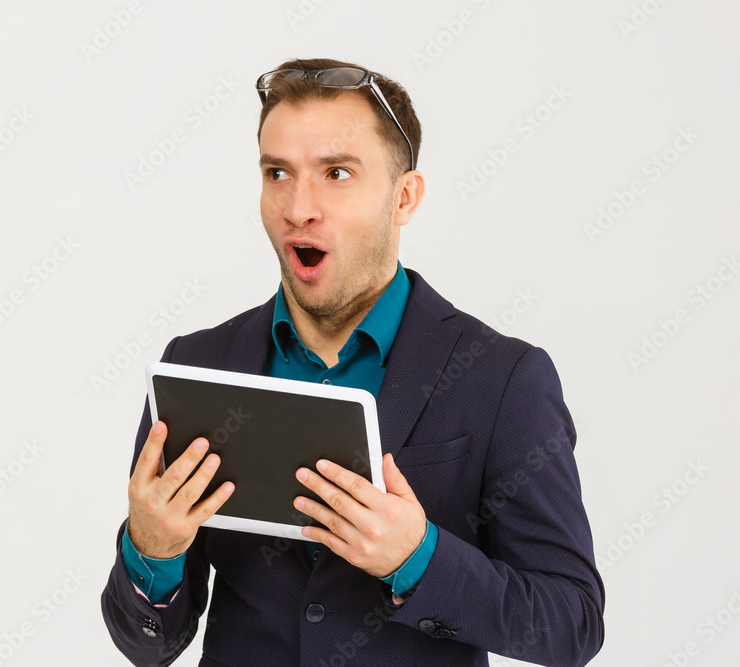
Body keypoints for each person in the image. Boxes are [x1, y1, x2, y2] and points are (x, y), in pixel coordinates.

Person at [100, 57, 605, 667]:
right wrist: (152, 552)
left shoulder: (503, 379)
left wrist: (418, 557)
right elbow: (146, 645)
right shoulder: (200, 363)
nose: (298, 207)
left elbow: (571, 623)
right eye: (277, 172)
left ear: (404, 198)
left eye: (337, 172)